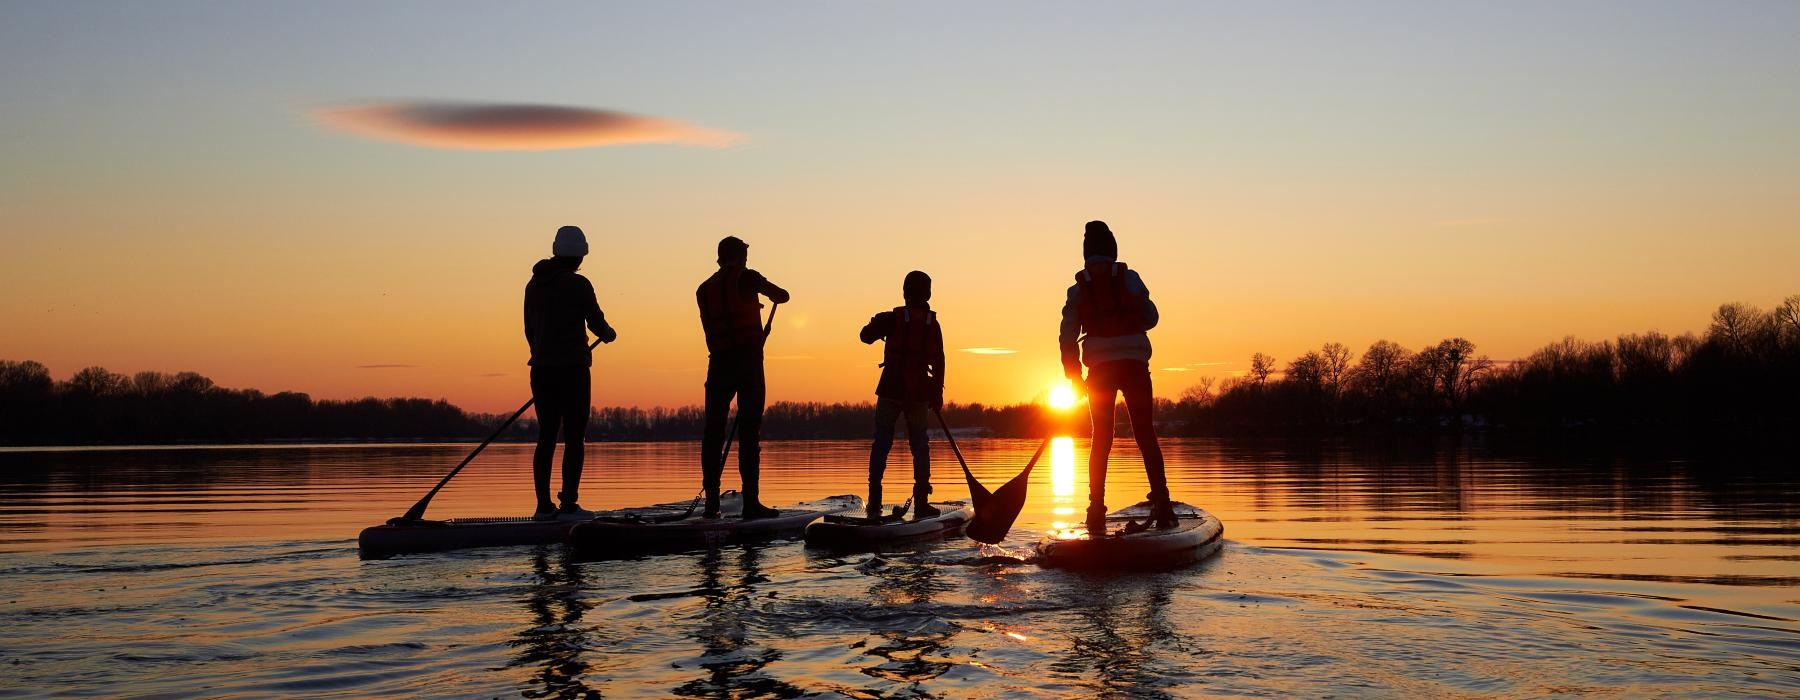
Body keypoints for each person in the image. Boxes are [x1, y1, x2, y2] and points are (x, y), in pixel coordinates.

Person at [1059, 220, 1176, 534]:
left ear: (1086, 255)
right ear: (1112, 251)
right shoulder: (1131, 279)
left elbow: (1067, 335)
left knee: (1102, 439)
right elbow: (1151, 317)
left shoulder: (1076, 290)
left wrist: (1072, 374)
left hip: (1099, 371)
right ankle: (1163, 507)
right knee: (1144, 434)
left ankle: (1096, 510)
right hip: (1134, 365)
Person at [524, 225, 617, 521]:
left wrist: (541, 354)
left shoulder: (533, 285)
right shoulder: (578, 284)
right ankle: (568, 506)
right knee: (575, 437)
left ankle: (543, 507)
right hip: (573, 371)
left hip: (540, 370)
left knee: (547, 436)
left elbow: (529, 328)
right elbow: (597, 324)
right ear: (579, 255)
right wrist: (610, 333)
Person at [697, 236, 790, 519]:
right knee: (749, 433)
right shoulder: (748, 278)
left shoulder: (703, 289)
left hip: (718, 365)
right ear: (739, 257)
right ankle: (751, 503)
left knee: (713, 433)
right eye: (745, 256)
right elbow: (783, 295)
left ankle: (711, 502)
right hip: (747, 363)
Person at [859, 271, 946, 520]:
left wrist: (877, 323)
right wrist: (937, 391)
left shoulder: (891, 319)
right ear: (927, 294)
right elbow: (940, 361)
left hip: (891, 389)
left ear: (905, 293)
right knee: (919, 445)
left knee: (882, 443)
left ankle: (874, 501)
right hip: (918, 392)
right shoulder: (932, 323)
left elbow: (864, 336)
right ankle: (921, 502)